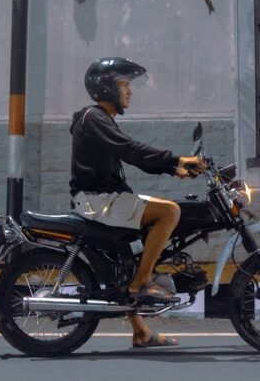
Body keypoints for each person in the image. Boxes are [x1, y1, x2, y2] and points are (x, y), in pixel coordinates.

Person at [69, 57, 205, 348]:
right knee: (170, 212)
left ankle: (141, 330)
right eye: (124, 84)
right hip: (97, 201)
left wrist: (173, 169)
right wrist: (175, 158)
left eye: (129, 85)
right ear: (106, 87)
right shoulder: (94, 118)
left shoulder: (99, 120)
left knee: (130, 253)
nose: (129, 91)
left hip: (103, 198)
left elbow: (134, 157)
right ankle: (142, 282)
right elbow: (131, 151)